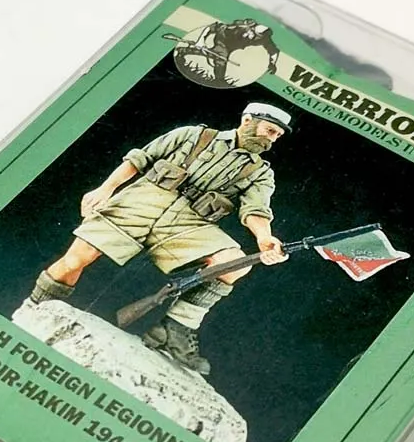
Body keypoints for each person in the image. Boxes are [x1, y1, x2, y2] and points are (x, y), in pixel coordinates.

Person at [27, 102, 292, 375]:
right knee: (75, 260)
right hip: (139, 203)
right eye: (269, 130)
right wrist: (105, 189)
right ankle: (36, 307)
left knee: (235, 262)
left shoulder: (260, 172)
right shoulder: (192, 134)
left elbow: (255, 209)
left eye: (277, 136)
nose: (272, 139)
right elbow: (139, 159)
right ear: (247, 120)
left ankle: (174, 330)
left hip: (188, 223)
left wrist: (265, 238)